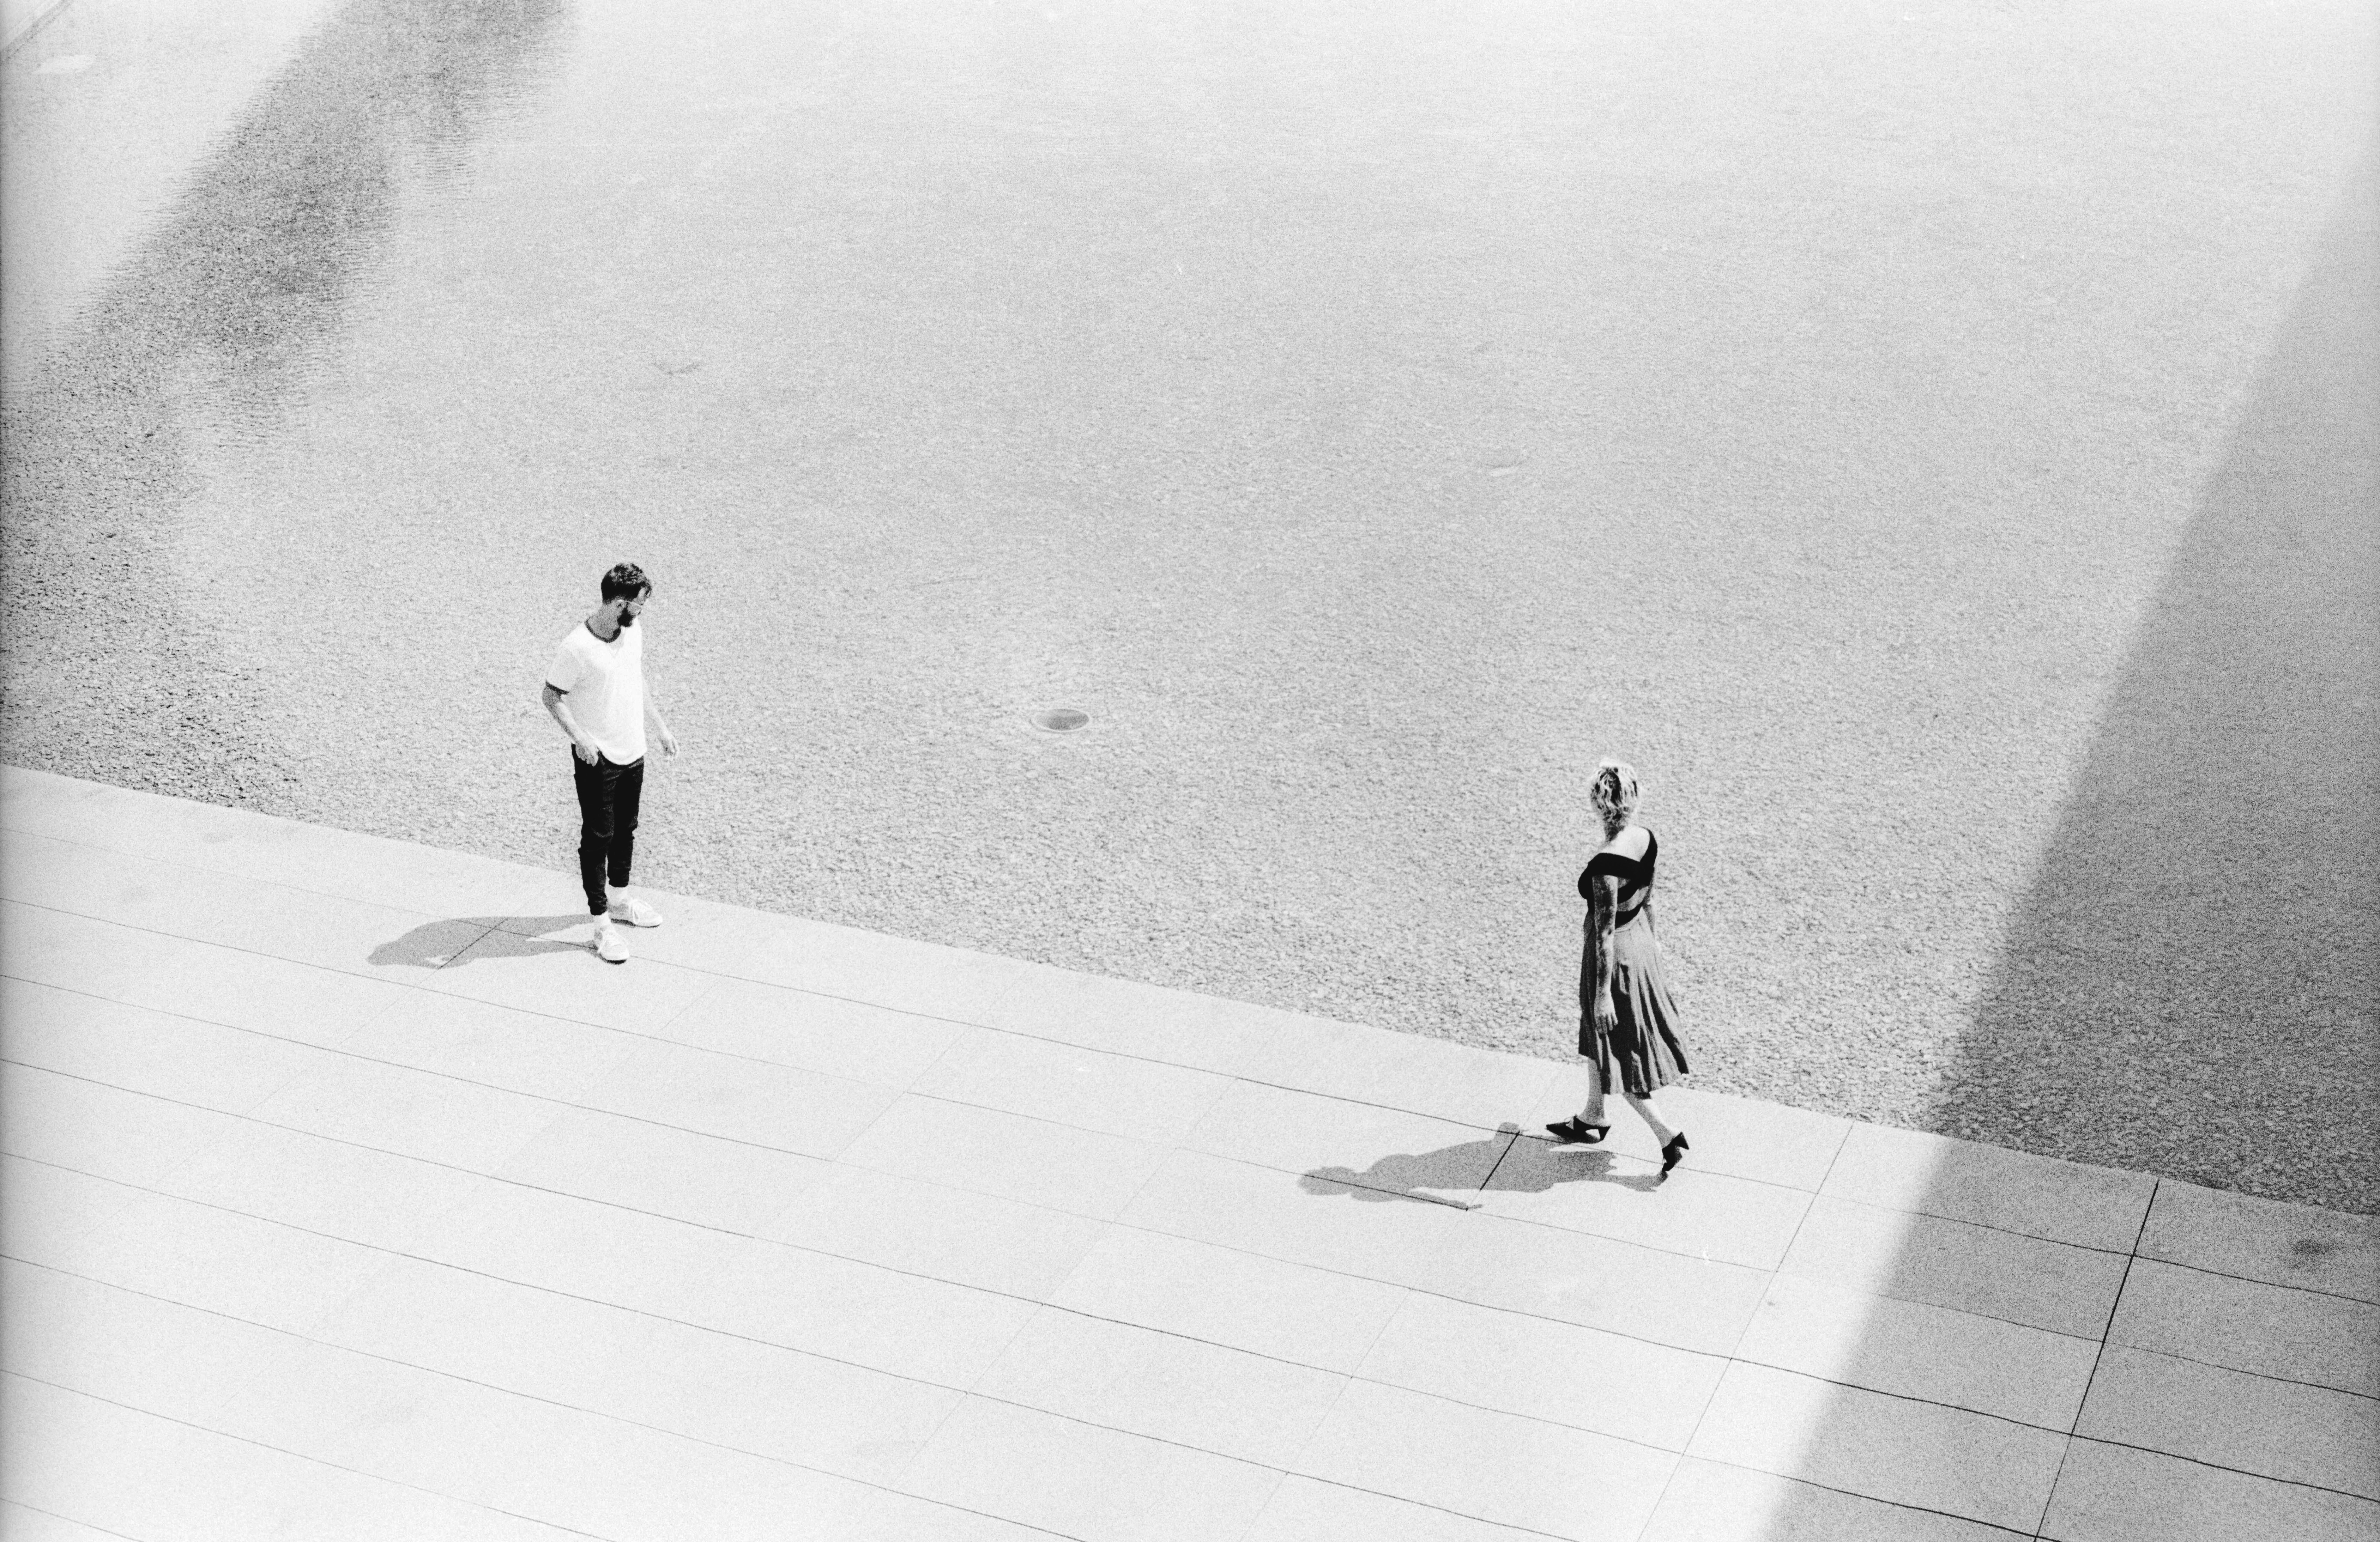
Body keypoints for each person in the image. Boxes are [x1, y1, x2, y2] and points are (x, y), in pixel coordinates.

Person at [1547, 758, 1692, 1174]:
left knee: (1617, 1049)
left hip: (1613, 961)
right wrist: (1655, 944)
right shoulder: (1645, 838)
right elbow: (1649, 899)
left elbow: (1605, 933)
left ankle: (1667, 1136)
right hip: (1640, 943)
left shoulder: (1605, 864)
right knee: (1598, 1038)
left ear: (1597, 804)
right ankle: (1593, 1115)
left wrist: (1601, 993)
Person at [540, 563, 679, 963]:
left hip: (634, 750)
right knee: (597, 837)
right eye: (637, 605)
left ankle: (619, 899)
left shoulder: (633, 633)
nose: (640, 612)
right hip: (598, 757)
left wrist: (660, 727)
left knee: (626, 830)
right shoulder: (576, 648)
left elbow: (637, 680)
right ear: (618, 603)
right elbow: (551, 696)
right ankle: (601, 925)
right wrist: (580, 738)